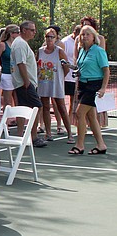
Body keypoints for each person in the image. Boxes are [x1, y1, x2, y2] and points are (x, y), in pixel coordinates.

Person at [69, 25, 109, 155]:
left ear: (93, 37)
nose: (85, 36)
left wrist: (103, 88)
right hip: (82, 84)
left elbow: (106, 70)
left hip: (94, 85)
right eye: (82, 34)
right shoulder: (81, 50)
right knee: (91, 116)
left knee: (79, 113)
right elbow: (81, 67)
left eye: (87, 34)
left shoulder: (98, 51)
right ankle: (101, 145)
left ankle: (79, 145)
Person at [10, 22, 46, 148]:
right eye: (32, 30)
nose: (34, 32)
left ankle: (20, 136)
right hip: (24, 83)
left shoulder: (21, 43)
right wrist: (26, 81)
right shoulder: (20, 44)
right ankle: (33, 137)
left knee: (23, 108)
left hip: (24, 83)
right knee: (37, 107)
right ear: (24, 30)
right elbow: (21, 63)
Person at [37, 27, 71, 142]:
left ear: (56, 38)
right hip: (43, 82)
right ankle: (48, 133)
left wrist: (60, 78)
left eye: (52, 37)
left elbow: (66, 67)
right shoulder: (40, 51)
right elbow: (37, 65)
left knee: (61, 107)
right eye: (47, 36)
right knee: (45, 107)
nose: (49, 39)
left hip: (56, 84)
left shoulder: (59, 51)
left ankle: (70, 134)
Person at [62, 25, 81, 129]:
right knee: (60, 102)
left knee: (73, 102)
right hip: (65, 77)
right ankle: (62, 123)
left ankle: (70, 122)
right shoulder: (65, 42)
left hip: (75, 79)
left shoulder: (82, 43)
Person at [0, 26, 16, 109]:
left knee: (17, 100)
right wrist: (0, 74)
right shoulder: (2, 45)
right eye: (17, 32)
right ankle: (7, 116)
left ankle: (16, 116)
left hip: (16, 75)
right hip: (6, 74)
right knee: (7, 101)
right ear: (11, 34)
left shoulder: (17, 45)